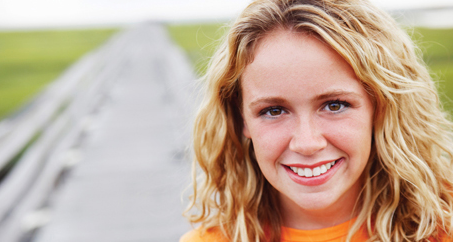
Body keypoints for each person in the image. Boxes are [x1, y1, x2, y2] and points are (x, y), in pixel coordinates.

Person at [180, 0, 453, 241]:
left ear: (381, 108)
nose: (307, 143)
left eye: (335, 105)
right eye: (274, 111)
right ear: (241, 120)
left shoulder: (442, 226)